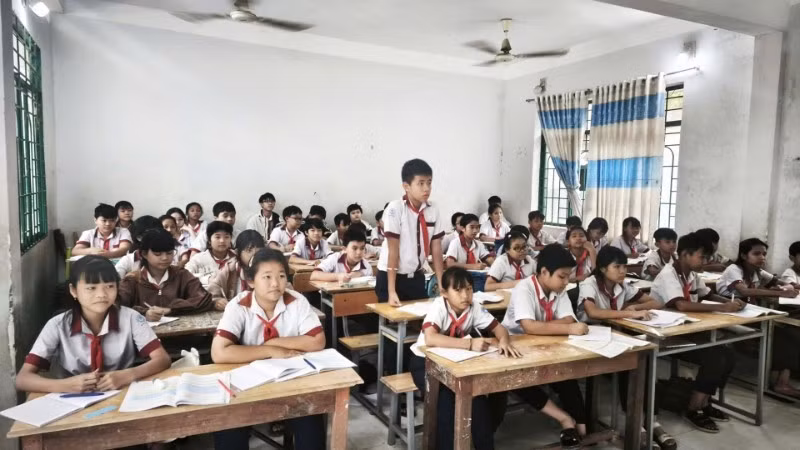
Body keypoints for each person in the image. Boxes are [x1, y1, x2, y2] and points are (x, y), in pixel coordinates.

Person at [210, 248, 325, 450]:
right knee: (229, 424)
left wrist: (274, 343)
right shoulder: (238, 306)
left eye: (281, 276)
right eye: (267, 277)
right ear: (251, 281)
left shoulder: (297, 301)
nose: (275, 283)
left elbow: (317, 341)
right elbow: (219, 352)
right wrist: (270, 352)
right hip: (248, 384)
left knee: (311, 417)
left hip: (291, 380)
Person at [16, 256, 171, 393]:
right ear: (74, 290)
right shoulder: (57, 325)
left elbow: (162, 359)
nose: (101, 294)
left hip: (121, 393)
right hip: (70, 399)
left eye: (110, 286)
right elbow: (23, 379)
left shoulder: (131, 318)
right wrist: (64, 385)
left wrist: (128, 375)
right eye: (91, 288)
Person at [409, 267, 521, 450]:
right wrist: (469, 344)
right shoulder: (439, 306)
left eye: (468, 289)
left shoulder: (474, 306)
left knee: (478, 402)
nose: (465, 296)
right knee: (445, 404)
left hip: (456, 362)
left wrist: (505, 342)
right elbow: (430, 338)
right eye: (458, 290)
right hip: (425, 362)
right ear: (444, 292)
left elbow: (500, 329)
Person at [577, 247, 675, 449]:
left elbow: (656, 302)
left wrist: (634, 308)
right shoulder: (590, 284)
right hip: (591, 337)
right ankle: (637, 424)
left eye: (624, 266)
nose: (622, 271)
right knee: (631, 365)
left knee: (646, 361)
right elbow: (593, 312)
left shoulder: (623, 285)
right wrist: (628, 315)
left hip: (616, 333)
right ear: (603, 269)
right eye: (617, 266)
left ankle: (651, 420)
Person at [650, 232, 744, 433]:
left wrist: (730, 302)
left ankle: (703, 400)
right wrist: (722, 308)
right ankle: (693, 408)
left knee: (728, 353)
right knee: (715, 356)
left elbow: (707, 294)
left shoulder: (691, 275)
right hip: (665, 337)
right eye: (701, 257)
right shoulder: (668, 274)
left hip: (687, 331)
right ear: (685, 254)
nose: (705, 262)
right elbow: (682, 305)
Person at [501, 244, 588, 447]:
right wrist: (564, 328)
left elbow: (568, 319)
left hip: (547, 346)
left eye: (568, 277)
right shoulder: (524, 288)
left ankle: (582, 427)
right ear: (544, 272)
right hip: (516, 348)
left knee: (567, 375)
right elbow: (529, 327)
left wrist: (544, 327)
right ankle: (565, 419)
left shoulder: (559, 290)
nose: (566, 282)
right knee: (522, 380)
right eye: (562, 276)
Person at [716, 238, 800, 398]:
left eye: (764, 254)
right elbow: (745, 291)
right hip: (729, 317)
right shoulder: (734, 269)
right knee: (785, 334)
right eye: (756, 253)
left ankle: (779, 381)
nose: (762, 257)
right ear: (743, 255)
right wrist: (781, 293)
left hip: (750, 315)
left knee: (790, 331)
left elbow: (780, 282)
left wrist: (786, 287)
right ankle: (779, 383)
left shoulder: (757, 271)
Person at [376, 159, 445, 307]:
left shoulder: (433, 209)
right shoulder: (395, 209)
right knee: (393, 325)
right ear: (406, 186)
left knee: (421, 321)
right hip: (392, 278)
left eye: (429, 182)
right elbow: (393, 251)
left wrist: (441, 283)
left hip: (417, 278)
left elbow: (437, 248)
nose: (426, 188)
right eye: (420, 183)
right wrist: (392, 291)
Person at [118, 228, 213, 320]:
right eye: (158, 254)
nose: (165, 258)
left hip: (181, 333)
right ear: (144, 254)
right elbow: (118, 307)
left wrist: (171, 309)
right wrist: (143, 313)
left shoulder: (181, 275)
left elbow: (203, 298)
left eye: (169, 253)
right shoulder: (132, 280)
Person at [207, 230, 266, 311]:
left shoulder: (268, 267)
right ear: (238, 252)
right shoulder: (231, 268)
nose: (254, 255)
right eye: (249, 251)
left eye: (259, 251)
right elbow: (213, 288)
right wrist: (217, 300)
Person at [185, 221, 237, 286]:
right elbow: (185, 275)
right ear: (209, 240)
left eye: (226, 237)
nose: (222, 240)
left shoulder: (237, 258)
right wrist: (207, 279)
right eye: (217, 237)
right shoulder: (199, 259)